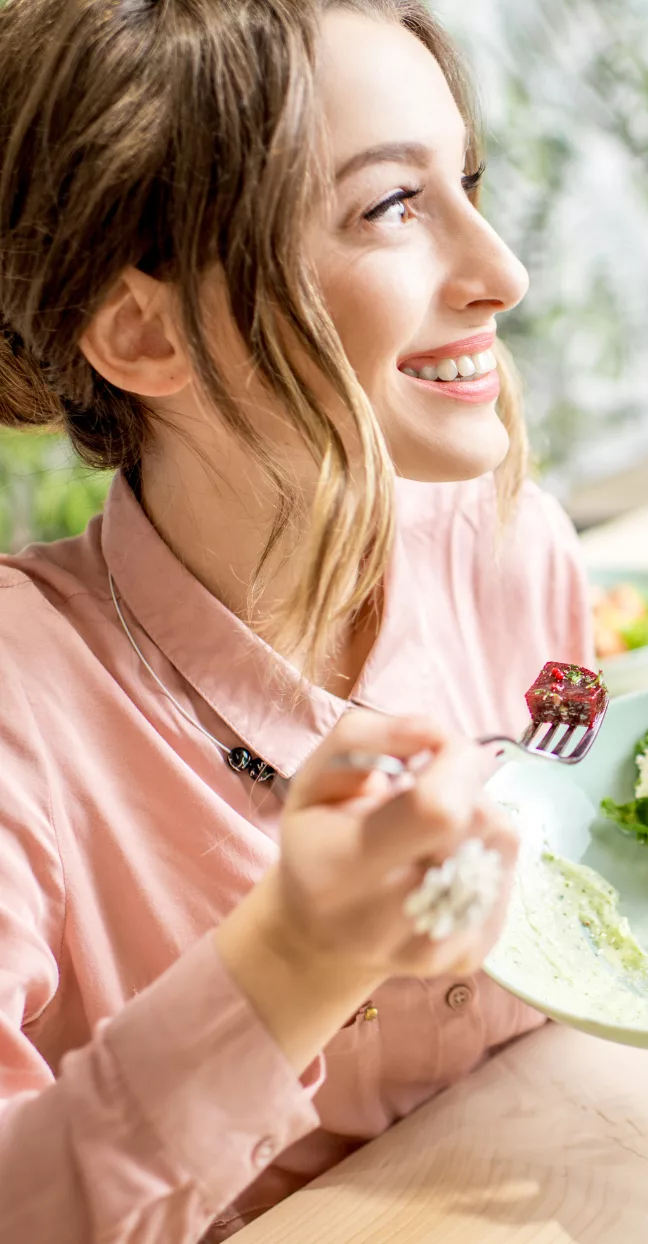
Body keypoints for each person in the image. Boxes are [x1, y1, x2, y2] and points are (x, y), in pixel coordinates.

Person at [0, 1, 593, 1239]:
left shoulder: (516, 547)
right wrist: (294, 960)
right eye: (393, 207)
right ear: (143, 330)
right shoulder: (24, 702)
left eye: (466, 181)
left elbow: (588, 847)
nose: (502, 273)